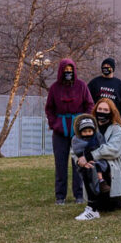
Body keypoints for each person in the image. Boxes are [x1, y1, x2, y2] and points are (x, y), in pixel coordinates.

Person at [73, 97, 121, 220]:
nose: (102, 112)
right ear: (95, 110)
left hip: (113, 167)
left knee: (111, 206)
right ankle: (92, 208)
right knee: (88, 166)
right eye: (100, 109)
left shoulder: (117, 129)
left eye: (106, 109)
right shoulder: (89, 126)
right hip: (92, 165)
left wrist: (89, 156)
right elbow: (77, 146)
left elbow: (113, 149)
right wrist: (80, 160)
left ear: (111, 112)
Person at [45, 57, 94, 204]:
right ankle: (60, 196)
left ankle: (79, 194)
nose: (68, 73)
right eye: (66, 71)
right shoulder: (54, 88)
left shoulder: (82, 86)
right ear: (61, 71)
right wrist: (55, 124)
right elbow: (49, 108)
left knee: (79, 162)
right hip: (60, 132)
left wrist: (83, 123)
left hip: (78, 131)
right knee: (60, 164)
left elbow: (89, 105)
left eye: (70, 71)